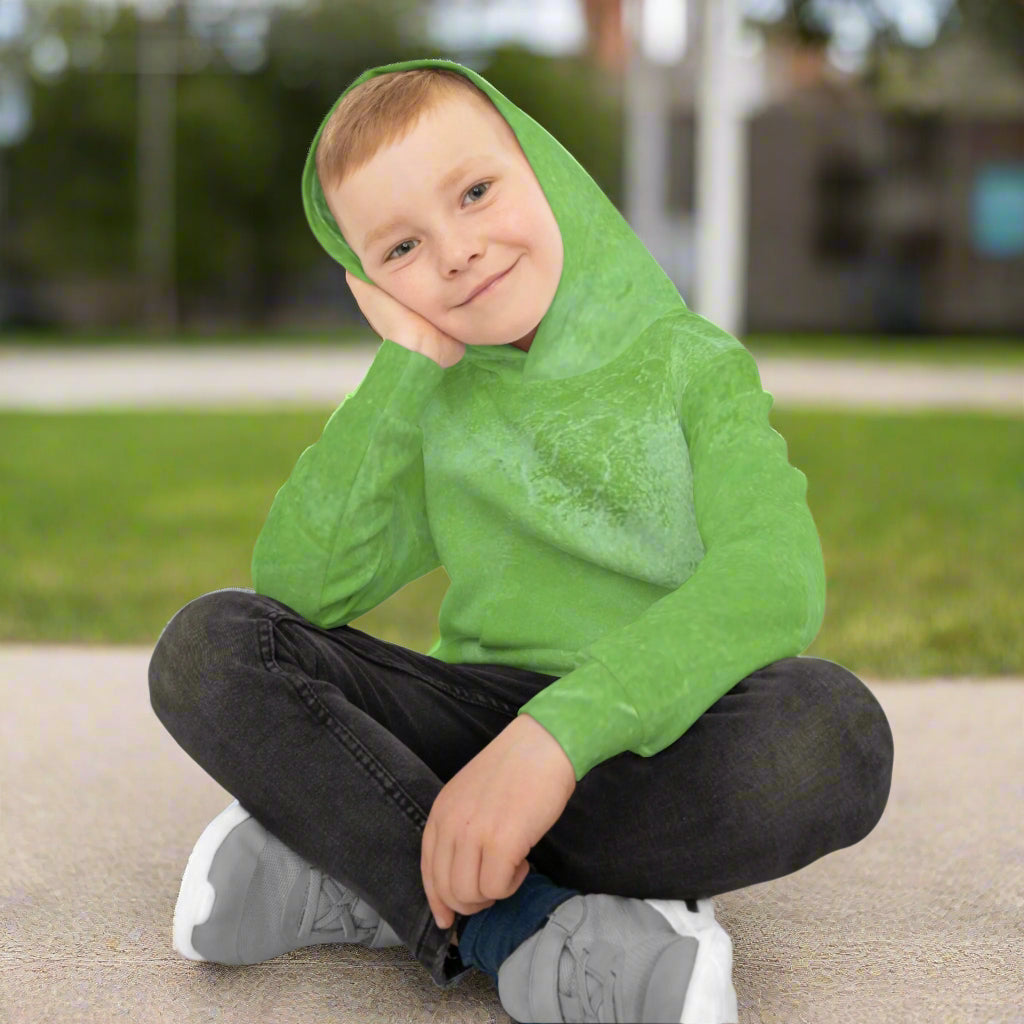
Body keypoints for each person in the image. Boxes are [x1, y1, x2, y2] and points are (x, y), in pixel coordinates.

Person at [148, 58, 895, 1024]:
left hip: (651, 736)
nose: (457, 252)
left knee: (834, 735)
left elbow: (775, 578)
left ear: (544, 169)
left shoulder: (689, 364)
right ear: (370, 281)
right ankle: (525, 930)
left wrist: (552, 744)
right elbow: (301, 585)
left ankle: (372, 859)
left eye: (475, 192)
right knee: (211, 648)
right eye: (403, 247)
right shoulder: (434, 402)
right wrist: (404, 366)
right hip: (476, 723)